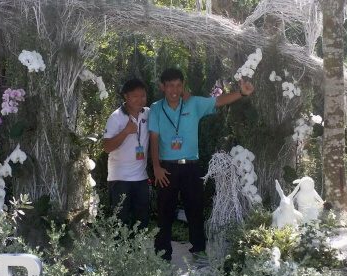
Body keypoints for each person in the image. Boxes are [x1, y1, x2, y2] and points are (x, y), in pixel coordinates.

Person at [149, 68, 254, 260]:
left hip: (191, 166)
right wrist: (156, 167)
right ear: (162, 86)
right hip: (167, 168)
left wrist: (241, 93)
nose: (174, 89)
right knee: (165, 212)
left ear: (183, 86)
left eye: (179, 85)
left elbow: (218, 101)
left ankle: (198, 249)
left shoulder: (193, 103)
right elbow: (154, 138)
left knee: (195, 209)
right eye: (170, 85)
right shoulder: (156, 108)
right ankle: (163, 253)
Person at [103, 78, 151, 229]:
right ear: (126, 96)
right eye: (135, 96)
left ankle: (138, 251)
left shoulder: (148, 113)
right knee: (119, 221)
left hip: (141, 177)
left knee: (142, 220)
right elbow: (107, 147)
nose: (140, 99)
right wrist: (125, 132)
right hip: (120, 178)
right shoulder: (115, 117)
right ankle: (119, 252)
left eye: (143, 95)